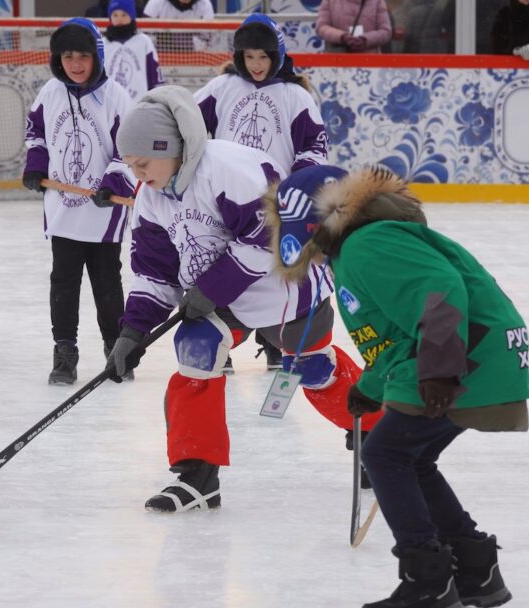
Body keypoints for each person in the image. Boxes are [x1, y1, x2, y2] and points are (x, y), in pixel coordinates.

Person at [269, 163, 529, 608]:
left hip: (468, 356)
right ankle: (475, 571)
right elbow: (397, 337)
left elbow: (440, 291)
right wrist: (368, 388)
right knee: (410, 457)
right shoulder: (361, 245)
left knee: (385, 455)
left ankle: (427, 582)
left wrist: (443, 369)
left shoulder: (368, 243)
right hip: (472, 354)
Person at [106, 86, 383, 513]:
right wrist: (132, 331)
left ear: (171, 147)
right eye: (130, 166)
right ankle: (197, 476)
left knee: (312, 369)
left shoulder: (227, 170)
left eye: (143, 163)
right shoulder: (151, 197)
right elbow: (153, 271)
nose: (138, 174)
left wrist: (209, 290)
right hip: (222, 295)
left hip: (287, 284)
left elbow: (266, 240)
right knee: (196, 350)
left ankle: (378, 437)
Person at [194, 13, 328, 371]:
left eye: (263, 57)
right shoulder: (222, 88)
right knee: (227, 263)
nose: (256, 65)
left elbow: (314, 147)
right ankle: (222, 340)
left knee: (275, 269)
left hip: (276, 203)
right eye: (249, 57)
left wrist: (296, 186)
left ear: (277, 56)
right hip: (229, 198)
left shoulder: (295, 96)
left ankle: (273, 339)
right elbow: (188, 123)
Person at [22, 18, 135, 385]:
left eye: (82, 56)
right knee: (64, 283)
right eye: (67, 56)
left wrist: (114, 179)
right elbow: (36, 134)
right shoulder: (50, 93)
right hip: (64, 211)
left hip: (103, 214)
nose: (75, 64)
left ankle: (115, 349)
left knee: (107, 283)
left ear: (96, 56)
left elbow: (128, 147)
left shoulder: (117, 96)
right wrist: (36, 165)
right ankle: (64, 353)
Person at [102, 0, 164, 103]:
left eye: (124, 15)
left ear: (131, 16)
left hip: (140, 103)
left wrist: (157, 97)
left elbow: (153, 72)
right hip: (111, 103)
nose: (119, 19)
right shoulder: (103, 44)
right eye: (115, 15)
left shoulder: (143, 41)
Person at [316, 0, 393, 53]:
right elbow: (321, 27)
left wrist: (366, 40)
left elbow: (386, 31)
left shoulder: (377, 1)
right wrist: (342, 36)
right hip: (337, 62)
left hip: (369, 63)